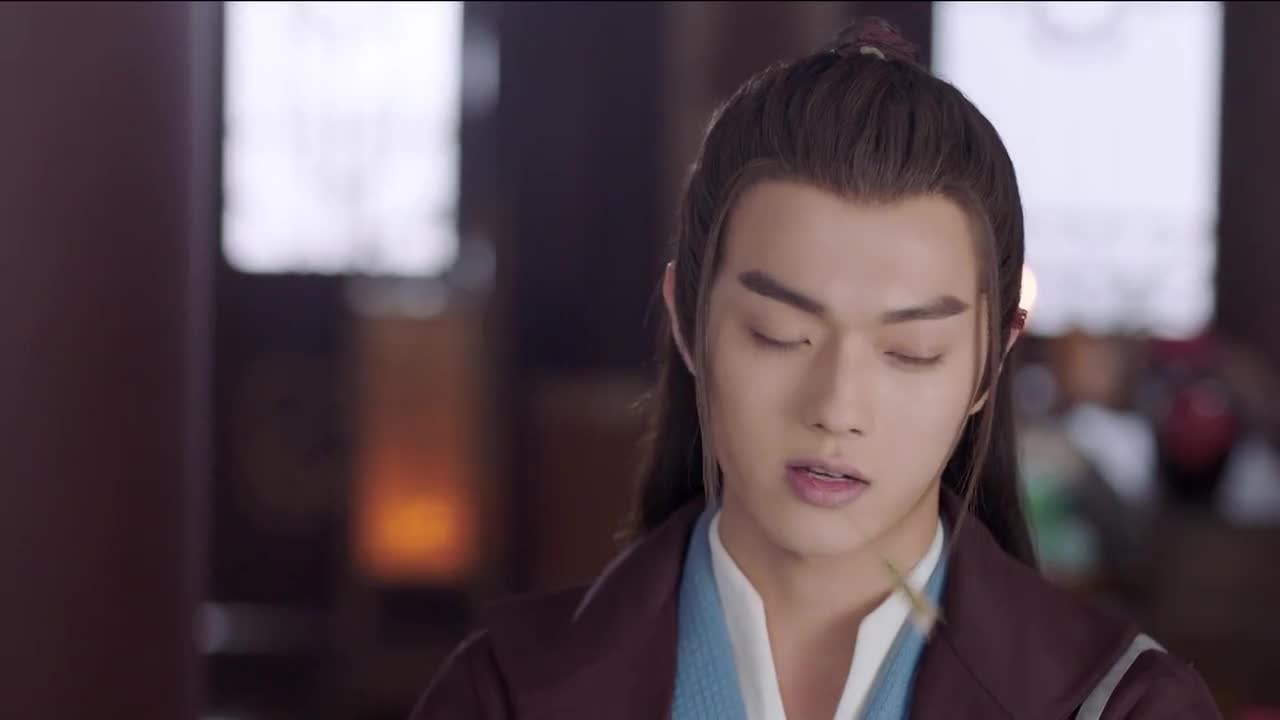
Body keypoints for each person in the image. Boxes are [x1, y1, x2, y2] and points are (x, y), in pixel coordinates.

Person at [410, 17, 1222, 720]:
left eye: (911, 352)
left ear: (989, 364)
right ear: (688, 321)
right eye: (778, 335)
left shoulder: (1120, 706)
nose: (837, 407)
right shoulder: (503, 695)